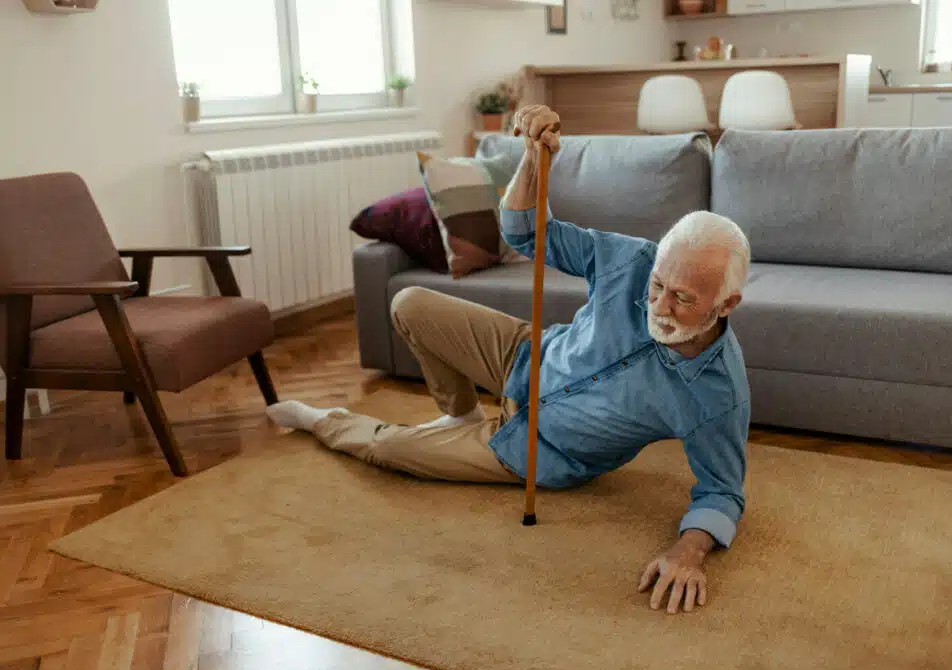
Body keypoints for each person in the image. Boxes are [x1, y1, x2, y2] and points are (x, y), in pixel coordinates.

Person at [267, 104, 752, 616]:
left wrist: (688, 551)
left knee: (391, 451)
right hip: (526, 355)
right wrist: (531, 158)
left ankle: (321, 422)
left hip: (540, 452)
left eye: (682, 298)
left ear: (725, 305)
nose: (658, 306)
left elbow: (721, 491)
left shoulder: (718, 393)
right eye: (657, 285)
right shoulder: (629, 258)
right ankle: (459, 413)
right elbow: (524, 233)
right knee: (409, 303)